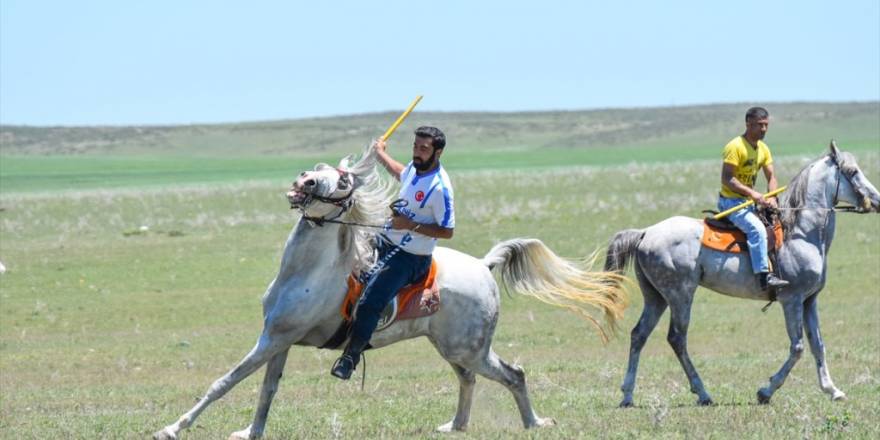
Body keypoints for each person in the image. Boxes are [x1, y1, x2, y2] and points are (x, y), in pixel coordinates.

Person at [331, 126, 455, 380]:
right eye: (415, 147)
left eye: (424, 149)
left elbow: (447, 231)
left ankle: (349, 358)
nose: (418, 153)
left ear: (438, 152)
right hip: (386, 239)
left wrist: (411, 225)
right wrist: (380, 154)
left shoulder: (440, 188)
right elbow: (402, 172)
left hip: (411, 257)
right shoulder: (415, 168)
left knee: (370, 303)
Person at [718, 107, 789, 290]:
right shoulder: (735, 147)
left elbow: (771, 176)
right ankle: (763, 277)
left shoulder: (763, 149)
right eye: (759, 125)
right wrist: (754, 194)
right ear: (748, 124)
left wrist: (772, 196)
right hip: (731, 202)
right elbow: (727, 178)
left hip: (750, 202)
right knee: (758, 230)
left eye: (766, 125)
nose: (764, 129)